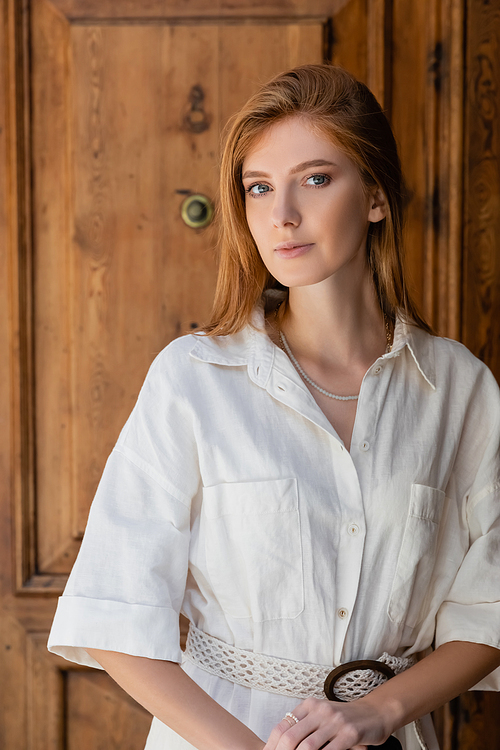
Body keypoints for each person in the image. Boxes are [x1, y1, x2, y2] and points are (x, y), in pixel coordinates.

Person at [48, 64, 500, 750]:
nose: (281, 214)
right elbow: (116, 614)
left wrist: (381, 711)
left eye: (315, 179)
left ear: (375, 196)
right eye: (259, 188)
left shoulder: (459, 388)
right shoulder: (192, 380)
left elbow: (491, 604)